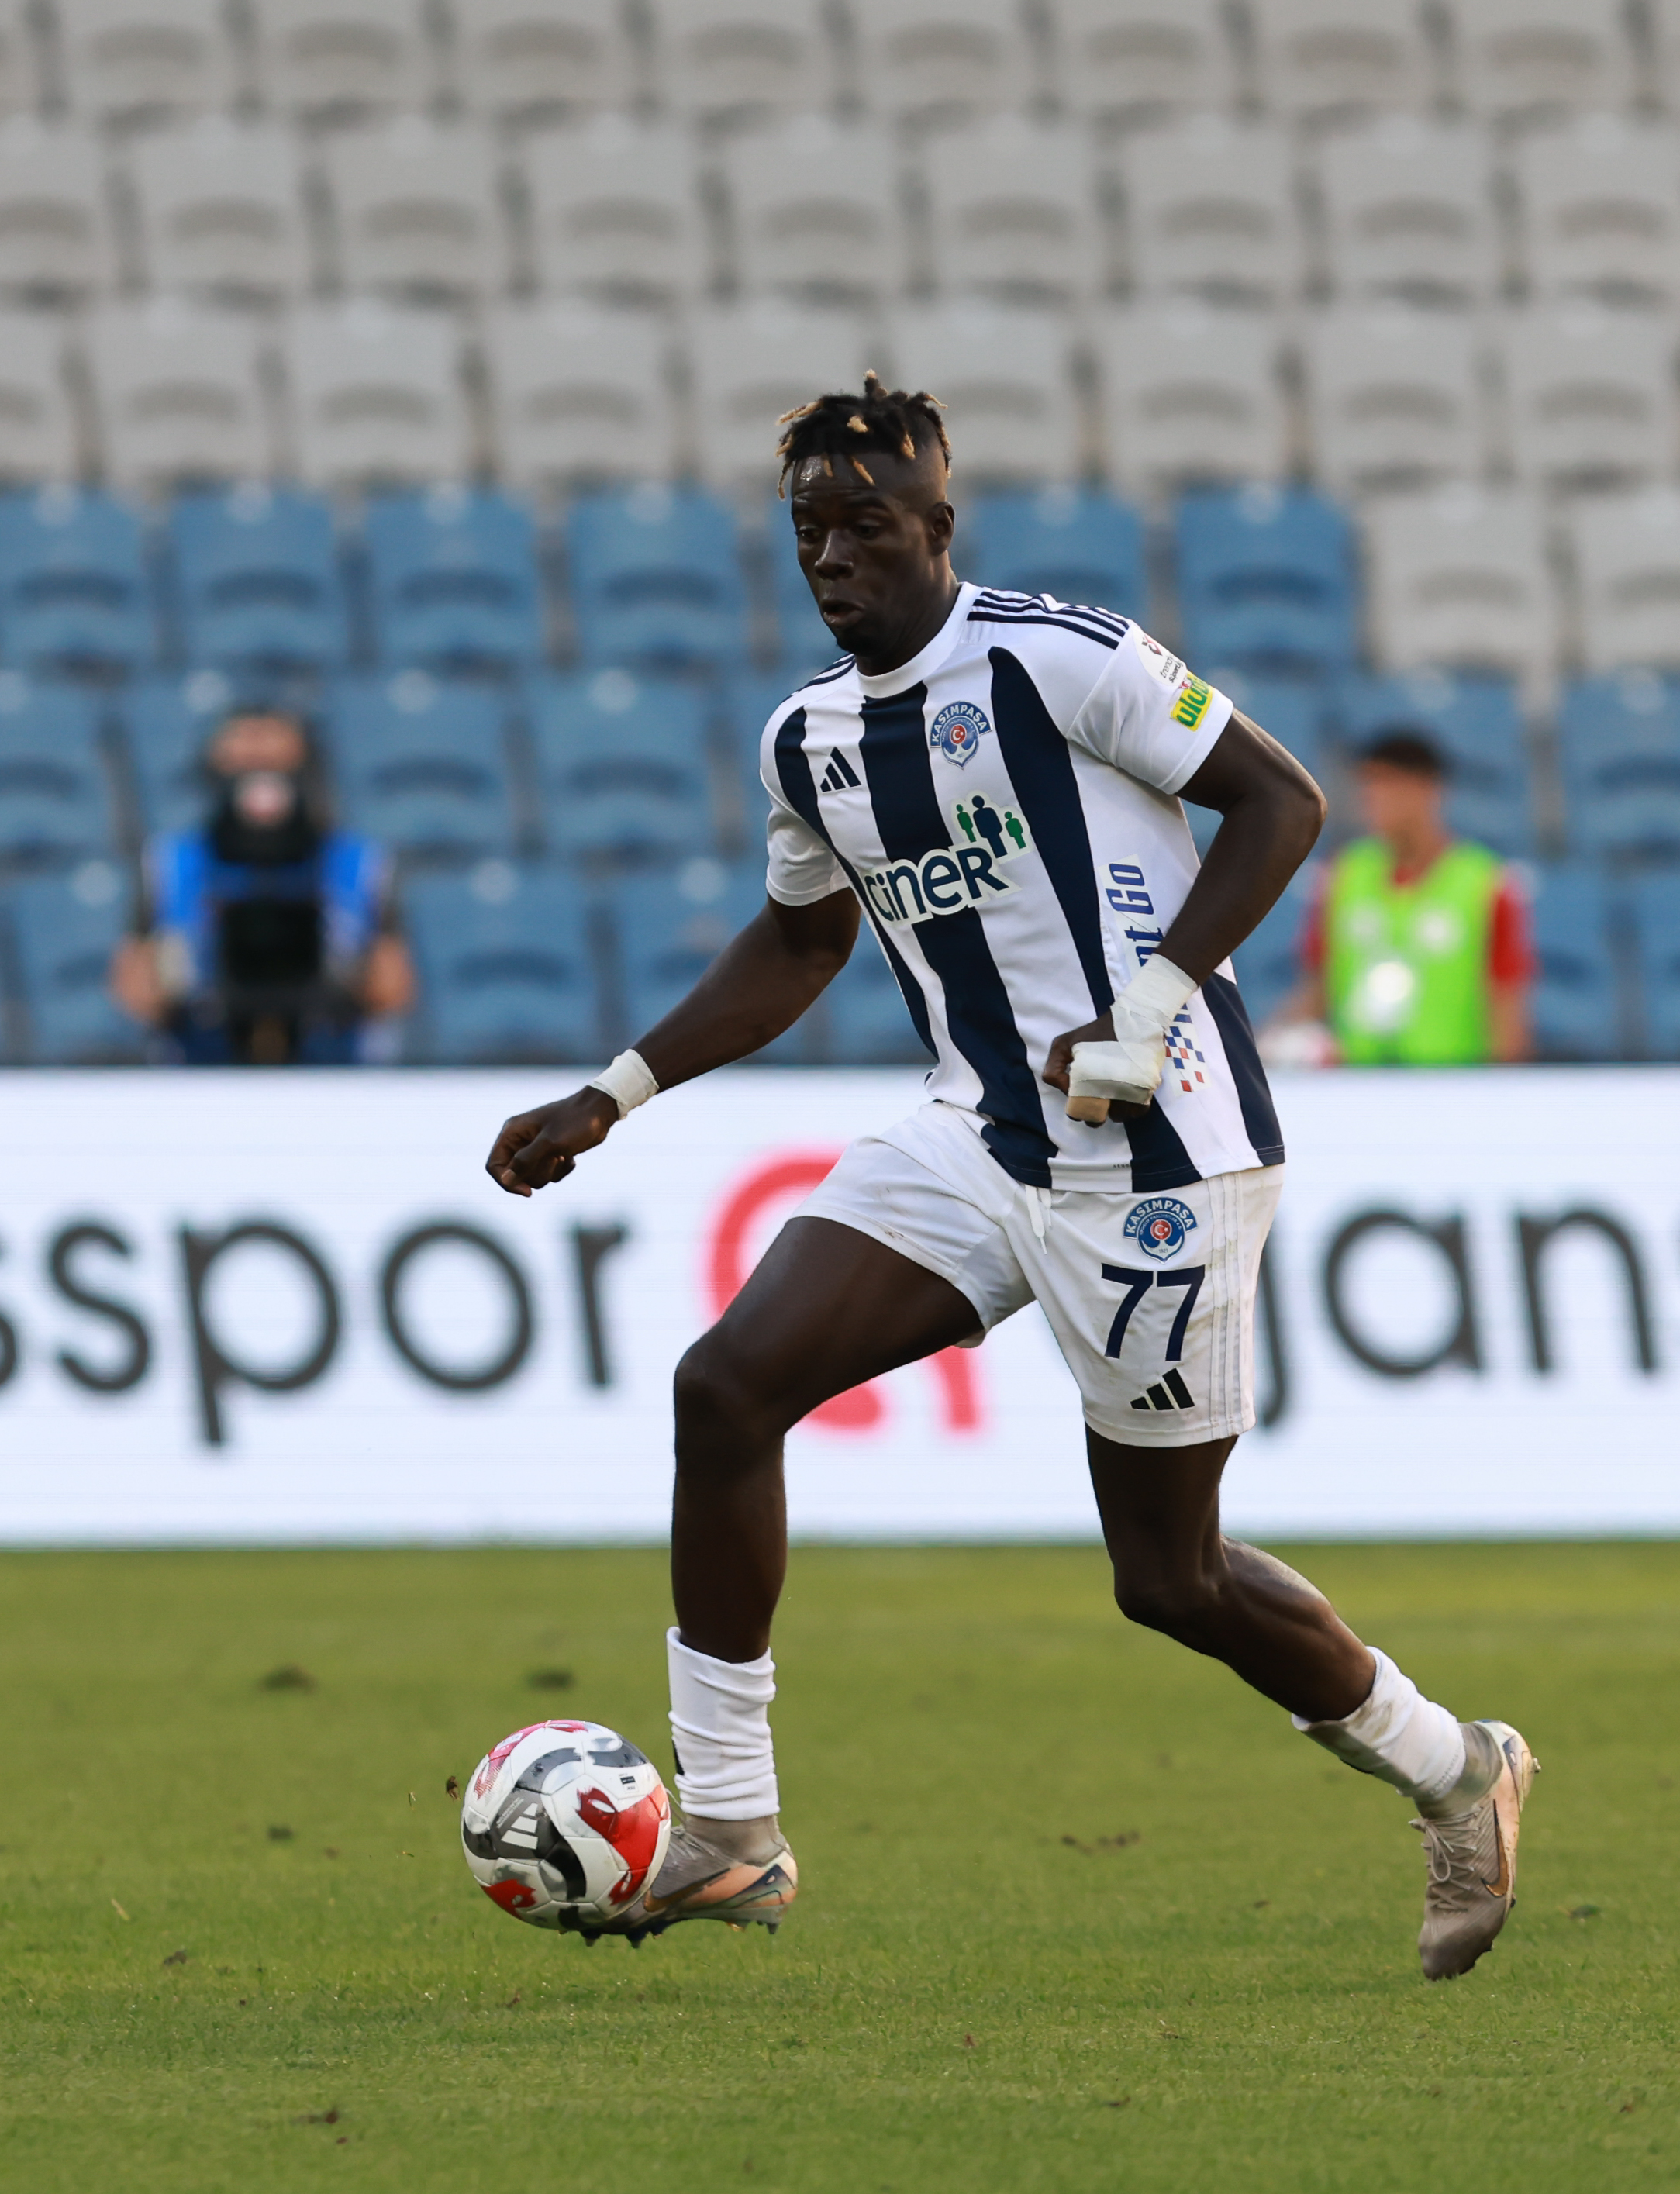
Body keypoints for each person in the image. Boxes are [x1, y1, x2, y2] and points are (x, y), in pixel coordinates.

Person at [485, 377, 1538, 1981]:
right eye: (806, 532)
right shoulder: (806, 739)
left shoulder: (1058, 659)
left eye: (862, 526)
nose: (830, 558)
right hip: (975, 1132)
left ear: (936, 526)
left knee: (1168, 1578)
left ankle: (1456, 1770)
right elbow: (798, 944)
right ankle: (732, 1824)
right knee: (726, 1386)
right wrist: (611, 1091)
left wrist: (1150, 1004)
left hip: (1163, 1159)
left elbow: (1280, 802)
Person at [111, 706, 413, 1064]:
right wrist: (177, 982)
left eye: (274, 759)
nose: (258, 771)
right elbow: (134, 987)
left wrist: (344, 981)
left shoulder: (359, 865)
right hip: (201, 1064)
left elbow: (394, 987)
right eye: (243, 759)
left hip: (328, 1065)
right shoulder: (169, 865)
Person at [1273, 730, 1535, 1067]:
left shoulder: (1488, 885)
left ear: (1429, 788)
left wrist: (1504, 1084)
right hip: (1359, 1082)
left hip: (1453, 1081)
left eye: (1387, 783)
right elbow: (1317, 985)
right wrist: (1274, 1041)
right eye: (1367, 783)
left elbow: (1507, 1008)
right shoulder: (1343, 877)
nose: (1372, 796)